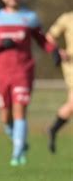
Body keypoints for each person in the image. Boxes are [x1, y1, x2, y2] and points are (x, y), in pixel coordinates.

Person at [0, 0, 59, 166]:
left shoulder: (30, 17)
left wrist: (53, 51)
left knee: (19, 111)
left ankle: (17, 155)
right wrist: (1, 43)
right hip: (3, 73)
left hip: (23, 71)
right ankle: (20, 141)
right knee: (5, 117)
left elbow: (42, 40)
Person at [46, 11, 73, 153]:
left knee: (71, 106)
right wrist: (58, 51)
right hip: (71, 66)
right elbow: (50, 37)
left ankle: (53, 129)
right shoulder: (67, 18)